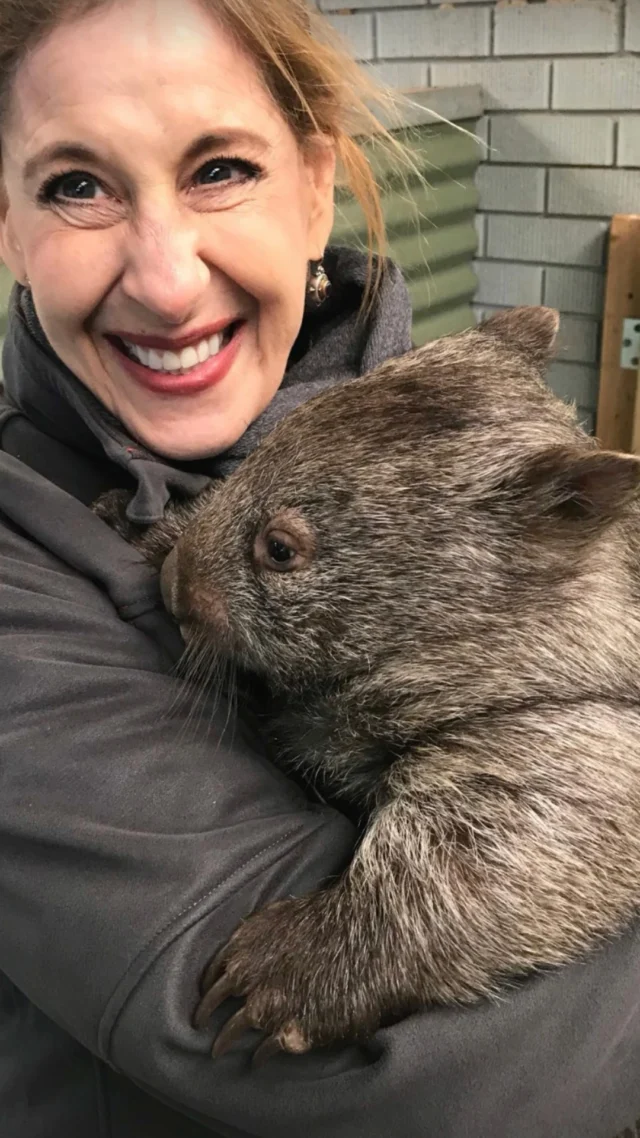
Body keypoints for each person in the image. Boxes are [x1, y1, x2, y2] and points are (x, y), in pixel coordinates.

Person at [0, 1, 639, 1136]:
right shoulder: (24, 570)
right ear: (6, 217)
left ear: (312, 184)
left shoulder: (458, 484)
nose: (164, 276)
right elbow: (479, 1085)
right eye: (76, 185)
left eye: (217, 168)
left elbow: (560, 815)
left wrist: (368, 930)